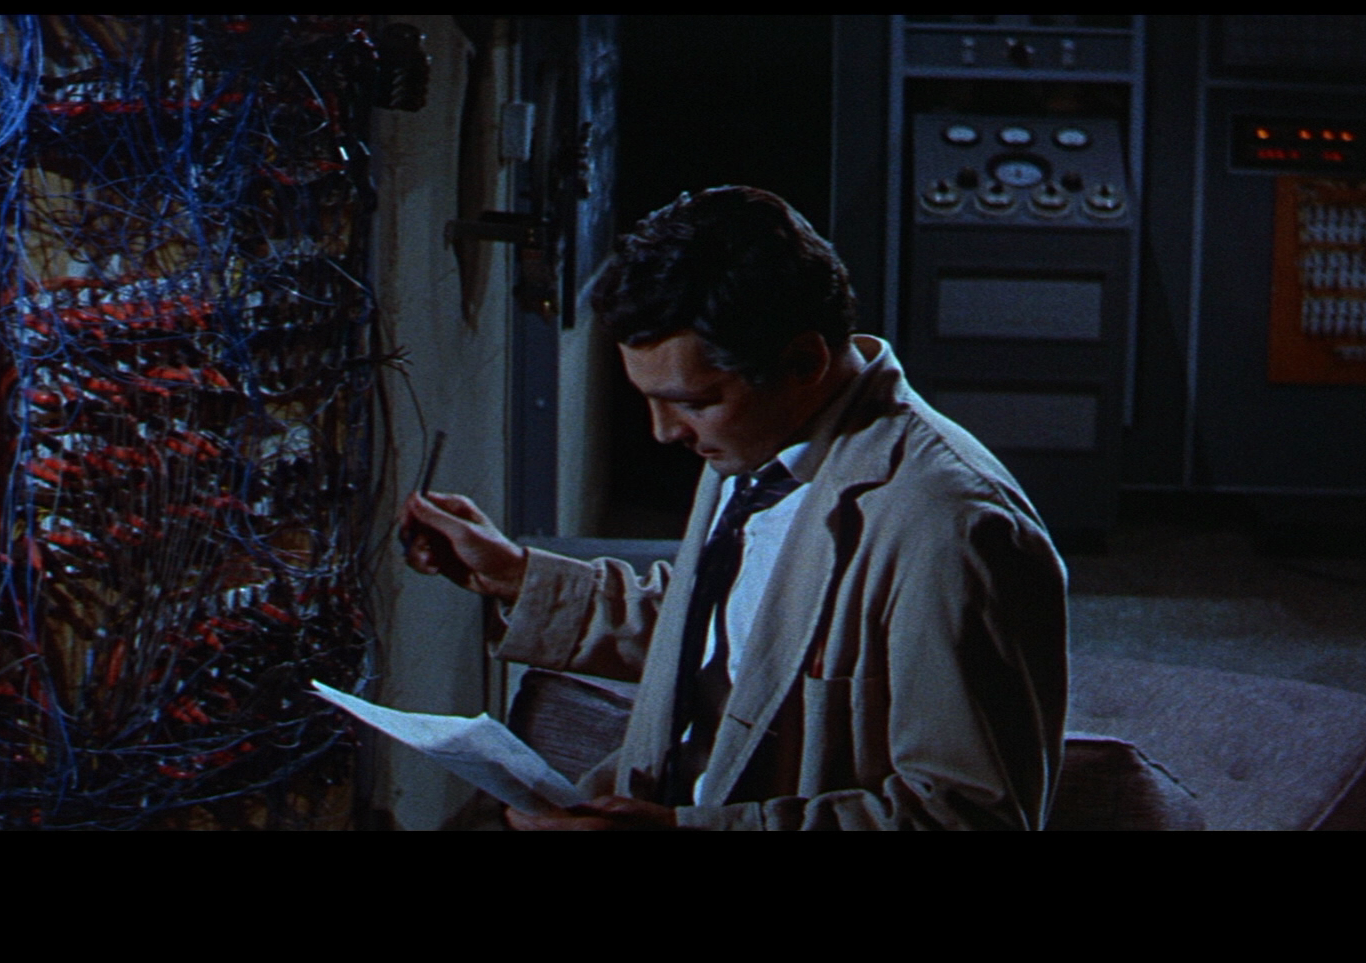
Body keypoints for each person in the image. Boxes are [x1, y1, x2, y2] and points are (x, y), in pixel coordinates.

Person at [402, 185, 1068, 830]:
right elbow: (735, 628)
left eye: (693, 402)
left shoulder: (953, 530)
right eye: (650, 399)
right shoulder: (761, 439)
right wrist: (516, 576)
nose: (664, 432)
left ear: (803, 361)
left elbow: (969, 814)